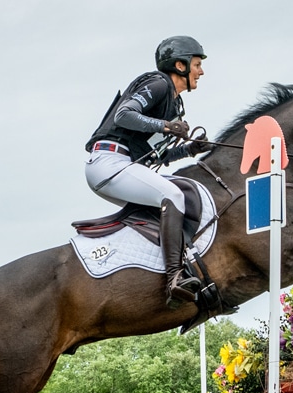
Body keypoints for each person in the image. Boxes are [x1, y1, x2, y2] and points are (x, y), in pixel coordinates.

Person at [84, 35, 212, 307]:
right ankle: (174, 276)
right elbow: (123, 115)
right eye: (197, 64)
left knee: (176, 200)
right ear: (180, 65)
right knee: (173, 196)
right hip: (109, 161)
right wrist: (166, 127)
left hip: (125, 165)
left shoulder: (174, 104)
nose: (201, 71)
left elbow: (158, 155)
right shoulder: (158, 84)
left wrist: (190, 151)